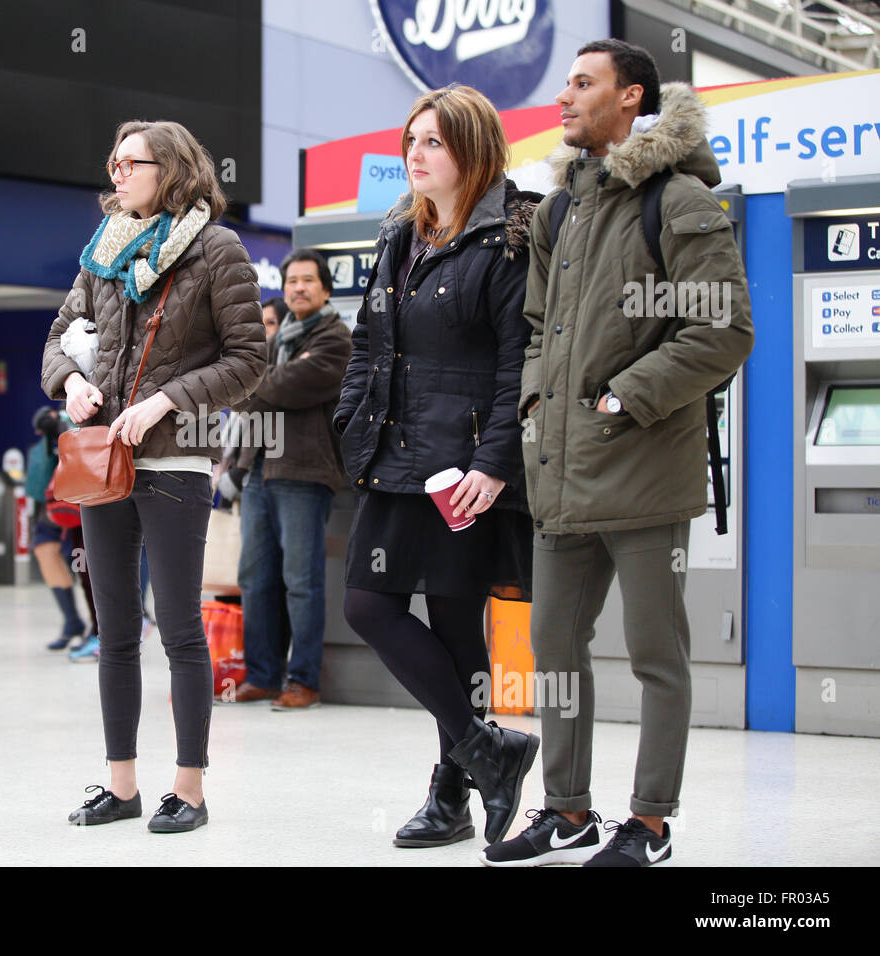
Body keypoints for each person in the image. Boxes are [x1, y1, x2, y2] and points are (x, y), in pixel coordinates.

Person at [485, 40, 754, 868]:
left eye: (582, 84)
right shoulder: (559, 212)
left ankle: (651, 823)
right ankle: (566, 809)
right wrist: (536, 398)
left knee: (653, 656)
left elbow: (724, 329)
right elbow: (535, 328)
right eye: (564, 82)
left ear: (631, 97)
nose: (563, 97)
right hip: (560, 474)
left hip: (643, 472)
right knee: (556, 655)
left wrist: (623, 395)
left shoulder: (677, 202)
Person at [42, 119, 266, 833]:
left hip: (175, 459)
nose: (116, 174)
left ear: (169, 169)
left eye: (129, 163)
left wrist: (168, 399)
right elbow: (57, 340)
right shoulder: (101, 251)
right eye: (112, 162)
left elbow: (248, 359)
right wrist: (71, 383)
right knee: (114, 629)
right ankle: (121, 784)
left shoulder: (216, 249)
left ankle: (191, 788)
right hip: (103, 459)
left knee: (179, 631)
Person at [334, 84, 542, 849]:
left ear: (473, 151)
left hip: (464, 467)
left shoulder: (509, 240)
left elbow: (520, 360)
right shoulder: (400, 237)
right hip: (394, 454)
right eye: (411, 141)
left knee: (458, 626)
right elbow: (368, 341)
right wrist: (349, 418)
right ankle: (489, 749)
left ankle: (450, 793)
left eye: (433, 142)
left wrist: (494, 463)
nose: (415, 155)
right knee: (368, 605)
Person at [228, 249, 350, 709]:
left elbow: (280, 389)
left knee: (301, 580)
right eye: (291, 280)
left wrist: (251, 379)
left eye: (307, 280)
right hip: (259, 468)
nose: (298, 287)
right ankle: (262, 675)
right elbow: (245, 401)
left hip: (304, 471)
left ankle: (304, 681)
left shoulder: (336, 338)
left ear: (325, 288)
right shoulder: (275, 343)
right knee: (255, 577)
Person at [27, 405, 93, 652]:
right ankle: (72, 621)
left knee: (87, 567)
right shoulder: (52, 418)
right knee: (44, 550)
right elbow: (40, 422)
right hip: (54, 501)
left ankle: (98, 630)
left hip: (81, 496)